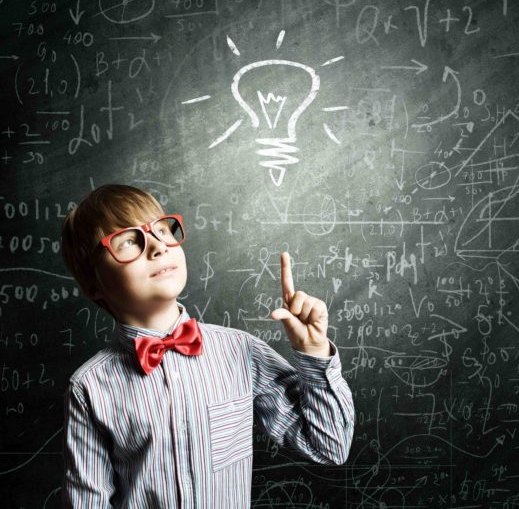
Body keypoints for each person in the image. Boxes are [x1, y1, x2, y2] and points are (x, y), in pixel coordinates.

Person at [59, 184, 354, 507]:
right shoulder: (89, 387)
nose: (157, 247)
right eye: (129, 241)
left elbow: (330, 447)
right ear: (94, 284)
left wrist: (313, 352)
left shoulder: (241, 351)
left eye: (161, 230)